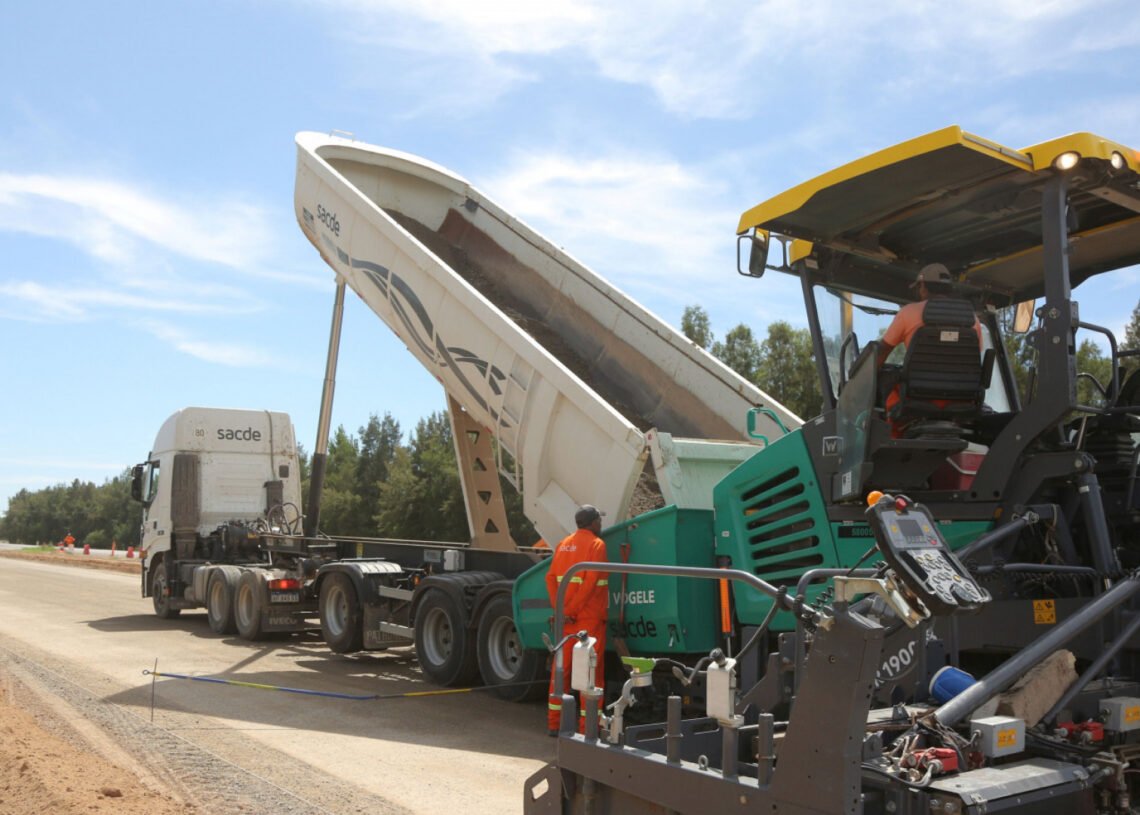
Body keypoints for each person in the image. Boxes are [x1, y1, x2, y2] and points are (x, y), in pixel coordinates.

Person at [877, 263, 982, 434]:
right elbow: (974, 360)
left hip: (914, 398)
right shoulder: (973, 320)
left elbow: (881, 352)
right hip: (960, 401)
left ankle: (891, 438)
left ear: (923, 286)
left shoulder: (908, 313)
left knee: (884, 381)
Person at [545, 504, 609, 735]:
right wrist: (572, 609)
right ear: (592, 523)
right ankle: (586, 728)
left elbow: (551, 578)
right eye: (599, 521)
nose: (601, 525)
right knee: (591, 673)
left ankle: (554, 724)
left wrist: (561, 609)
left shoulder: (563, 544)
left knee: (561, 670)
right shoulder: (597, 545)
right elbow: (590, 584)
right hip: (589, 620)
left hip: (566, 620)